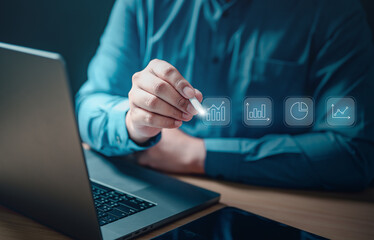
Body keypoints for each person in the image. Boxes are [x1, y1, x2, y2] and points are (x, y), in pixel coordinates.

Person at [76, 0, 374, 190]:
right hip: (157, 185)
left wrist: (198, 155)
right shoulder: (142, 4)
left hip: (270, 208)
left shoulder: (333, 12)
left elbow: (353, 151)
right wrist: (133, 126)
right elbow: (90, 104)